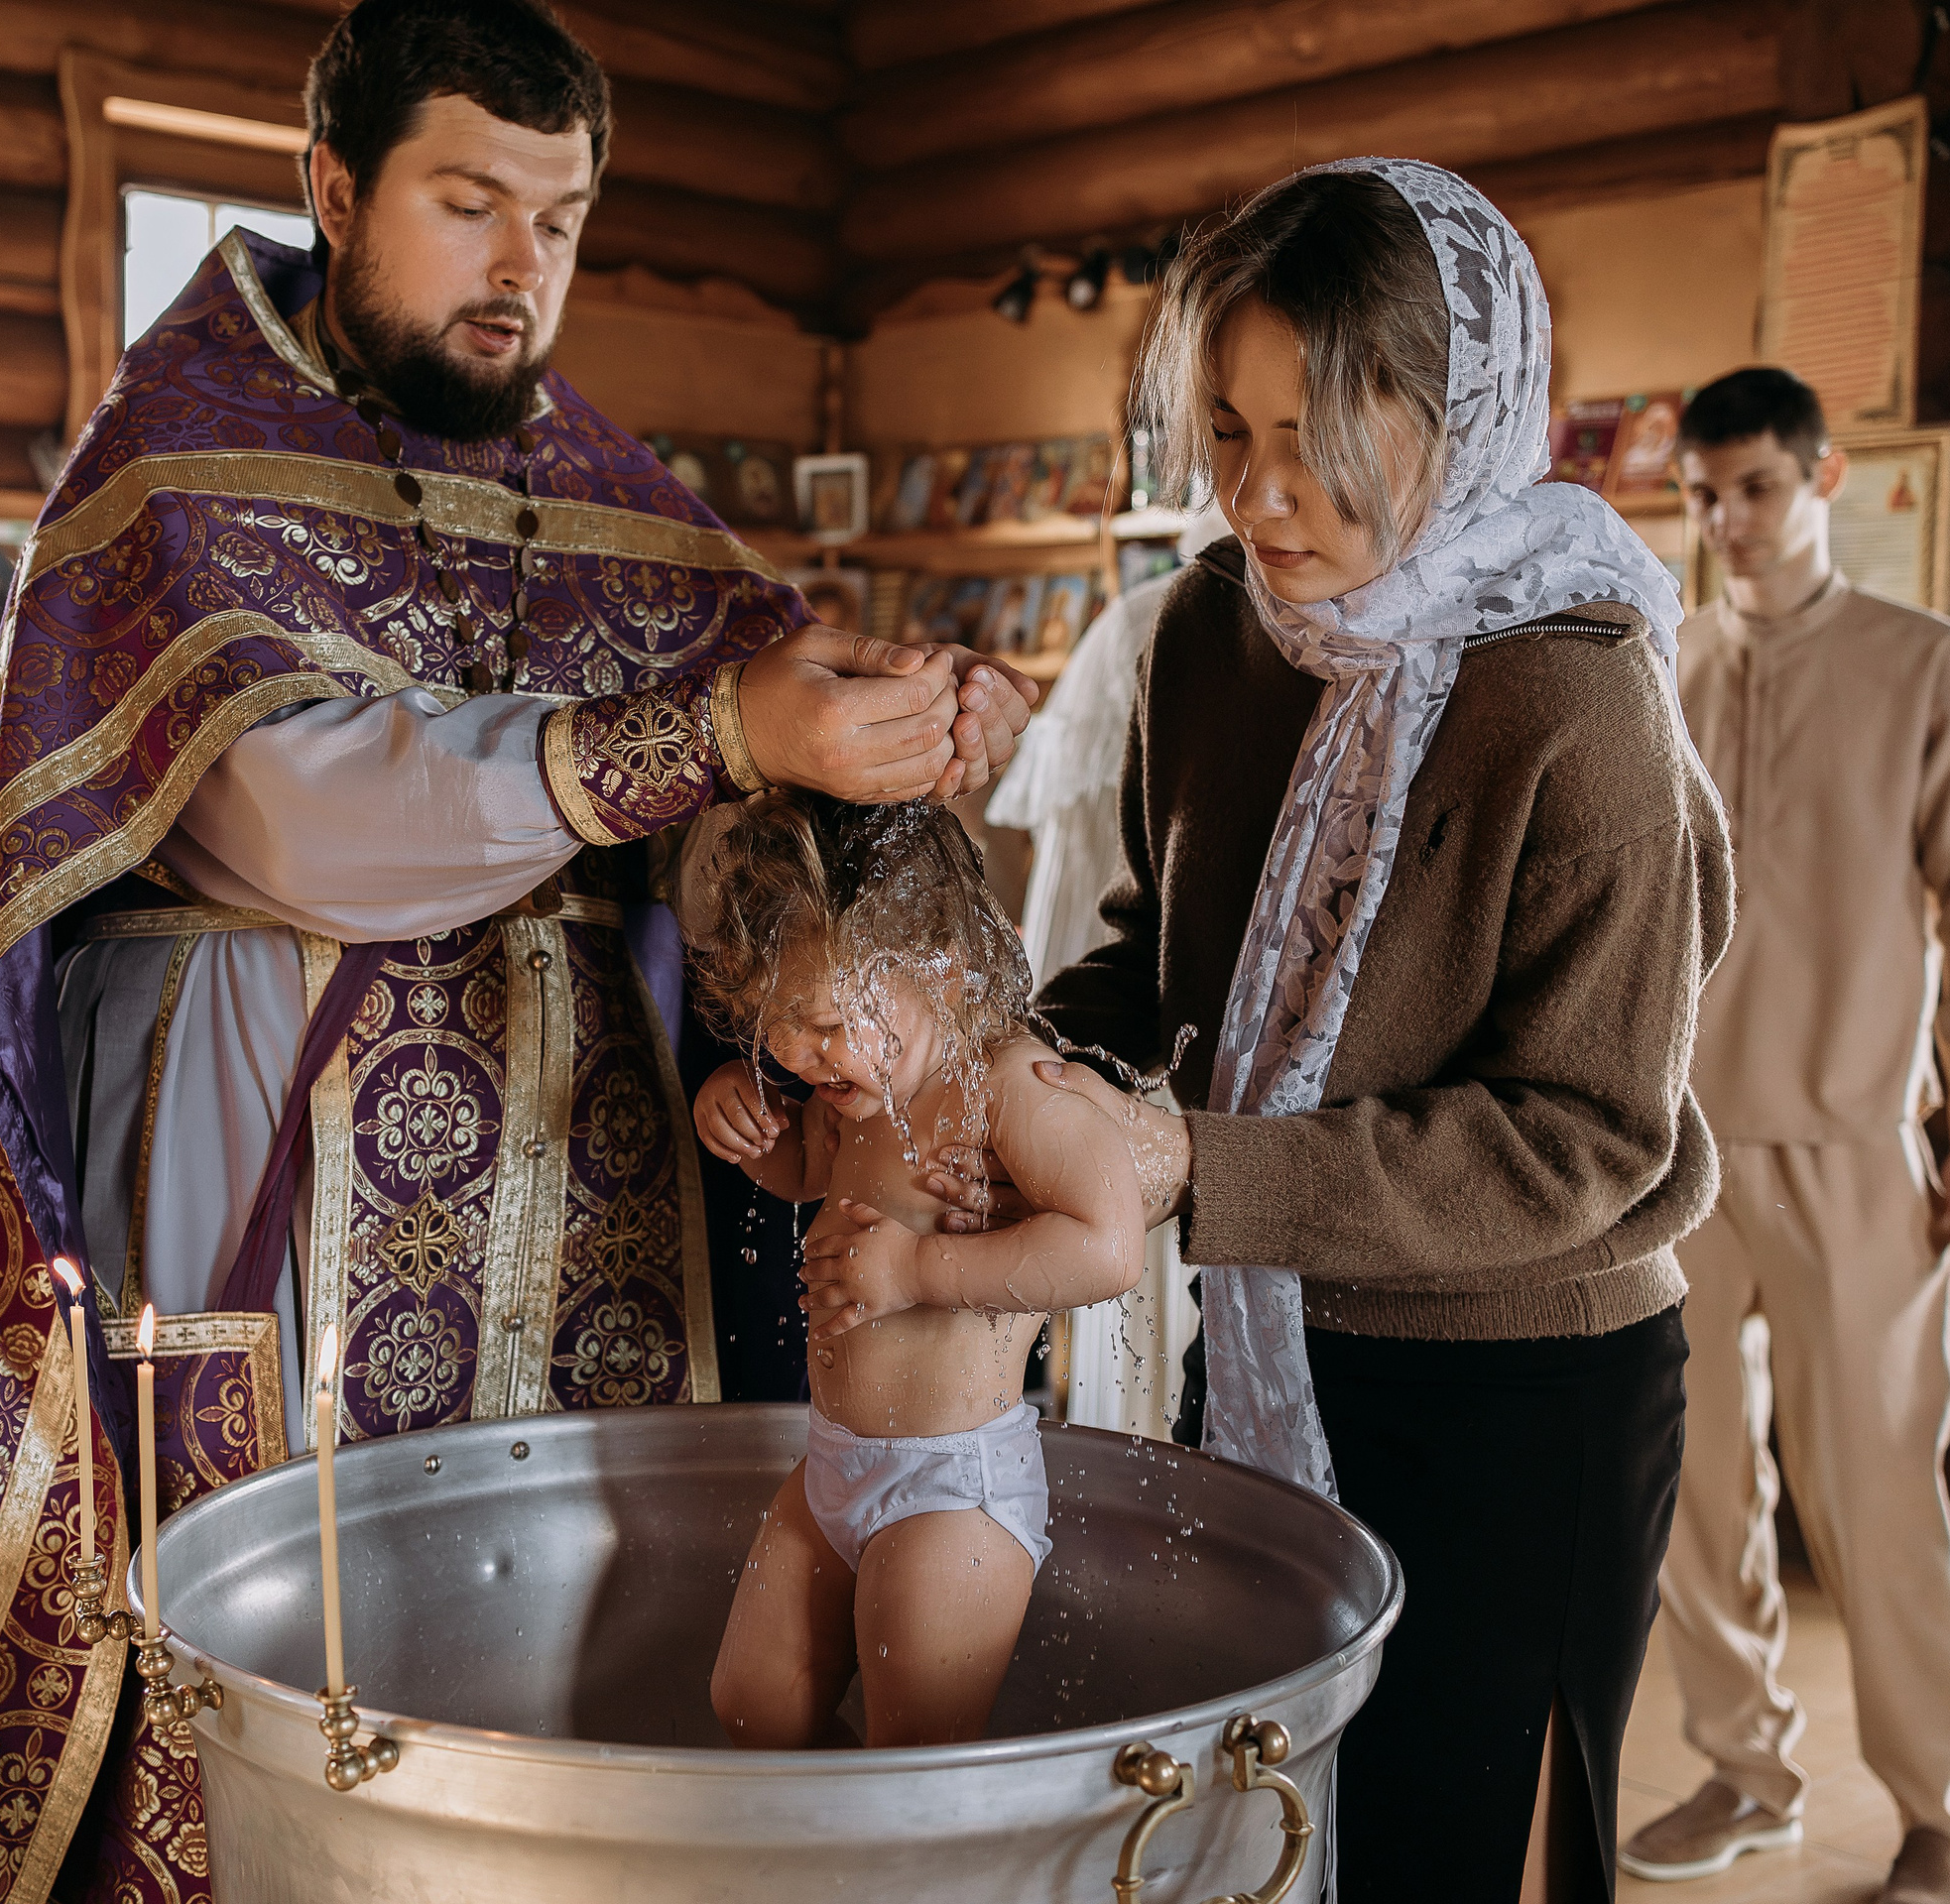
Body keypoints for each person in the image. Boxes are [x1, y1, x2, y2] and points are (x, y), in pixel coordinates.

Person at [0, 6, 1035, 1900]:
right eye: (471, 202)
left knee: (590, 1657)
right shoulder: (176, 462)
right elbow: (312, 814)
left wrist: (884, 740)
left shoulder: (603, 482)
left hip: (593, 1188)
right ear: (333, 185)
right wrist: (729, 734)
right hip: (278, 1161)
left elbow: (744, 782)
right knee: (288, 1683)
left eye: (563, 219)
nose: (524, 268)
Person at [928, 160, 1731, 1900]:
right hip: (1279, 1330)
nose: (1268, 497)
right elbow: (1164, 956)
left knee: (1455, 1842)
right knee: (1275, 1825)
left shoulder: (1577, 697)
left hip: (1524, 1391)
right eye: (1228, 433)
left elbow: (1581, 1143)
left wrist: (1184, 1167)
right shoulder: (1215, 631)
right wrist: (1007, 1074)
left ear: (1469, 415)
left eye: (1325, 440)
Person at [1617, 368, 1950, 1904]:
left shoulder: (1935, 669)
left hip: (1864, 1149)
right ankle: (1744, 1771)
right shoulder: (1659, 664)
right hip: (1677, 1156)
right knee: (1695, 1490)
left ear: (1824, 479)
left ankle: (1945, 1808)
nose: (1725, 521)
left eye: (1755, 489)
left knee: (1879, 1497)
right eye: (1704, 493)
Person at [685, 791, 1143, 1747]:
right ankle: (840, 1868)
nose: (801, 1054)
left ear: (945, 970)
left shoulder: (1009, 1088)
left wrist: (921, 1271)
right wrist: (740, 1121)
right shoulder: (851, 1088)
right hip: (832, 1466)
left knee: (918, 1753)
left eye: (824, 1023)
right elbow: (803, 1171)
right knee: (751, 1700)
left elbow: (1109, 1245)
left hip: (952, 1486)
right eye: (776, 1023)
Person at [985, 504, 1229, 1437]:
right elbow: (1123, 884)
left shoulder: (1130, 627)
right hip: (1136, 998)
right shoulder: (1169, 630)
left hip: (1106, 994)